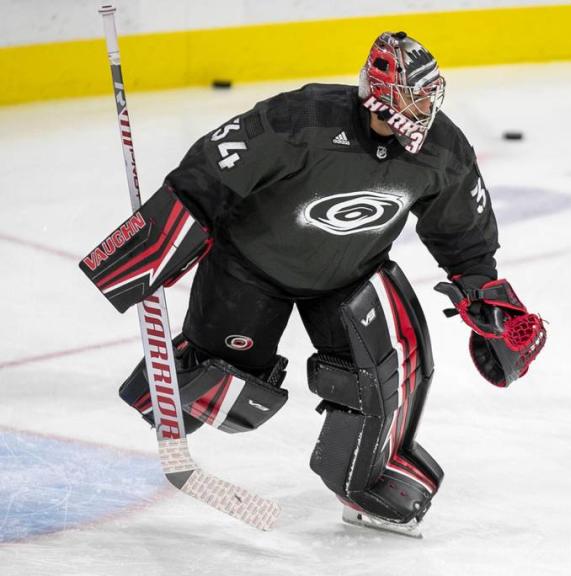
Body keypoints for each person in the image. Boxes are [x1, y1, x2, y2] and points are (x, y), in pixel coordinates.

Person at [80, 31, 545, 535]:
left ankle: (368, 479)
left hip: (350, 275)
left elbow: (464, 235)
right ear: (381, 92)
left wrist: (485, 296)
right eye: (415, 94)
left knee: (394, 367)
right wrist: (155, 242)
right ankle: (168, 384)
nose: (426, 106)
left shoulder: (443, 149)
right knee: (227, 392)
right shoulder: (301, 119)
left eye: (431, 94)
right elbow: (207, 174)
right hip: (251, 268)